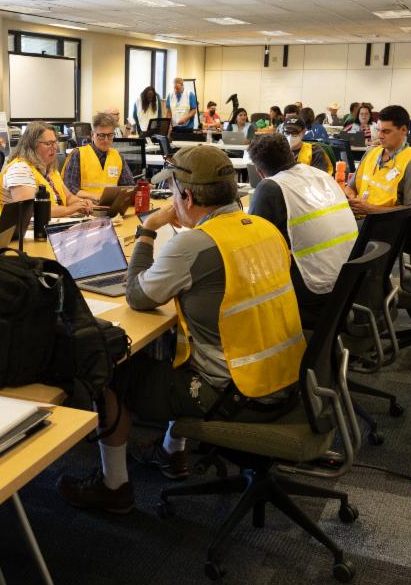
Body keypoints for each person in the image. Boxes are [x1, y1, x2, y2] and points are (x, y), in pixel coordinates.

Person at [57, 145, 307, 509]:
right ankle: (172, 453)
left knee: (112, 371)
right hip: (286, 378)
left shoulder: (196, 243)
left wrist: (146, 231)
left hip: (237, 394)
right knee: (174, 345)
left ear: (186, 196)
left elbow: (137, 296)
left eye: (172, 191)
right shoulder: (264, 228)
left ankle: (114, 489)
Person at [247, 134, 357, 325]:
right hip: (351, 279)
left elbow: (252, 244)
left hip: (317, 287)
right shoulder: (322, 175)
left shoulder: (270, 188)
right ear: (292, 155)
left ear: (259, 171)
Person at [345, 104, 411, 216]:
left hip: (387, 226)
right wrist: (353, 201)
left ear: (404, 130)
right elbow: (350, 187)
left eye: (386, 132)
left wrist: (371, 210)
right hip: (360, 218)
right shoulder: (370, 153)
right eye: (378, 130)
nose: (380, 136)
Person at [0, 121, 93, 217]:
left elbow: (69, 198)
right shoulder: (20, 169)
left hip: (50, 225)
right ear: (32, 146)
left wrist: (82, 203)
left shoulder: (50, 169)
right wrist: (69, 209)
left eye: (55, 142)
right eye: (48, 143)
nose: (54, 148)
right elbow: (30, 210)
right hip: (25, 232)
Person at [61, 111, 135, 200]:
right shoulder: (78, 155)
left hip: (110, 207)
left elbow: (129, 186)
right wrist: (96, 197)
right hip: (84, 208)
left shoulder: (117, 156)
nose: (106, 140)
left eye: (110, 135)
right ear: (92, 135)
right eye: (101, 135)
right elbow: (70, 189)